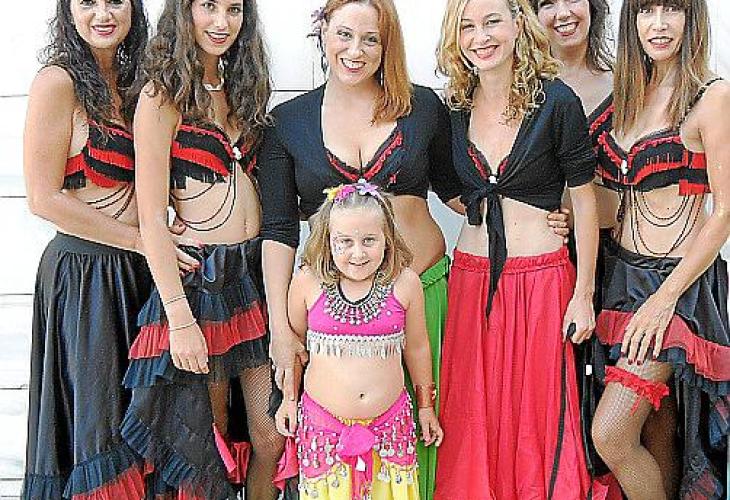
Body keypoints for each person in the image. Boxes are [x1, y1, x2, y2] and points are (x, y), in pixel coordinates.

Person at [258, 1, 462, 497]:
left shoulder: (422, 107)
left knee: (427, 438)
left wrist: (541, 207)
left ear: (387, 44)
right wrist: (281, 328)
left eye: (371, 39)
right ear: (322, 32)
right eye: (344, 34)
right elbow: (280, 230)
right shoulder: (286, 123)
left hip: (423, 293)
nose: (356, 50)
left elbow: (460, 191)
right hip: (330, 315)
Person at [433, 0, 603, 498]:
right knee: (472, 412)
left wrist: (584, 294)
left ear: (516, 23)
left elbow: (585, 201)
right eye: (467, 26)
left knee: (539, 414)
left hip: (542, 280)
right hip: (470, 281)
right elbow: (447, 185)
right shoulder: (453, 108)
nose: (480, 37)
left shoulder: (556, 101)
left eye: (492, 22)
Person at [120, 0, 283, 498]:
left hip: (252, 275)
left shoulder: (242, 88)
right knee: (207, 445)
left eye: (234, 9)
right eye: (207, 6)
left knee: (271, 436)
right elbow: (151, 216)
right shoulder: (161, 96)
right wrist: (179, 318)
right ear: (182, 12)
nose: (221, 22)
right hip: (201, 283)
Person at [19, 0, 171, 497]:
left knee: (143, 421)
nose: (103, 13)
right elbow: (43, 197)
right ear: (69, 11)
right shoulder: (57, 82)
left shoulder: (138, 84)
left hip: (140, 273)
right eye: (88, 2)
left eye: (115, 1)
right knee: (97, 425)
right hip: (85, 276)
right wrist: (137, 239)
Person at [588, 1, 730, 498]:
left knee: (611, 433)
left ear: (693, 19)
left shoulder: (712, 97)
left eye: (673, 9)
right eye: (647, 10)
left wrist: (663, 299)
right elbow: (611, 197)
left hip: (678, 286)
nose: (660, 24)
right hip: (621, 277)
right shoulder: (626, 97)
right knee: (657, 430)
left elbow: (724, 213)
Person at [274, 182, 443, 500]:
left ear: (387, 239)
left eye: (369, 240)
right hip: (324, 428)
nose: (358, 253)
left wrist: (426, 407)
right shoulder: (307, 283)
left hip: (389, 427)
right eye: (345, 242)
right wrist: (288, 400)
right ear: (328, 241)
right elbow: (295, 349)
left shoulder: (405, 283)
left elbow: (418, 348)